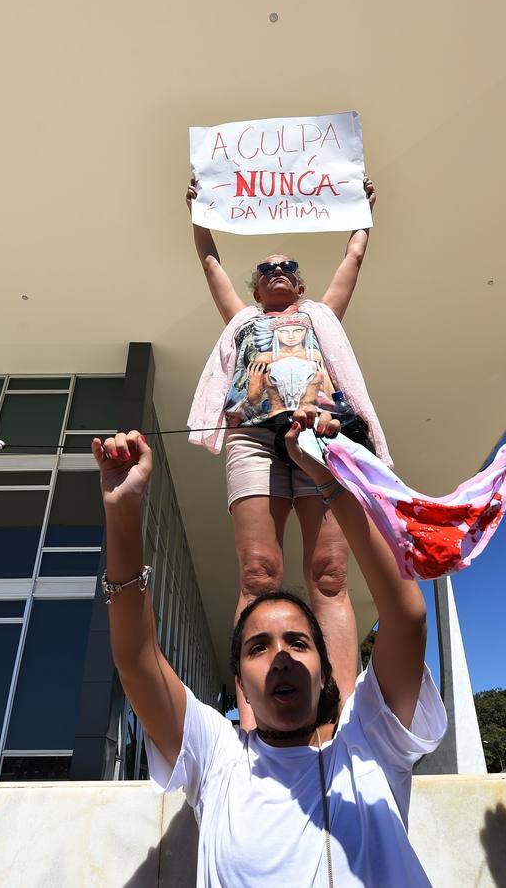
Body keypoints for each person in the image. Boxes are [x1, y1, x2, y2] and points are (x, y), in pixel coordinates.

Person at [94, 418, 446, 886]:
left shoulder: (368, 741)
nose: (281, 656)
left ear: (325, 671)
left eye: (299, 642)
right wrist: (123, 513)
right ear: (238, 681)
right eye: (258, 647)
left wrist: (331, 481)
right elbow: (138, 661)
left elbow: (407, 619)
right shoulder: (218, 758)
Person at [185, 176, 388, 729]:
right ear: (255, 289)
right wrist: (200, 213)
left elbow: (353, 257)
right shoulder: (241, 321)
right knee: (257, 574)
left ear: (299, 285)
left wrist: (360, 213)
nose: (278, 271)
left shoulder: (322, 315)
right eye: (268, 269)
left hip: (319, 435)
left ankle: (337, 720)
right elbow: (210, 263)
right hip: (253, 435)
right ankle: (255, 722)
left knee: (327, 573)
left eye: (288, 267)